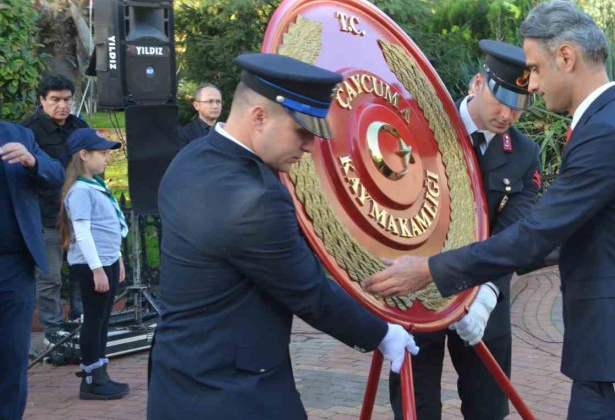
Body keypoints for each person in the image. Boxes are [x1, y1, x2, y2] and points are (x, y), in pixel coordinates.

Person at [365, 0, 615, 420]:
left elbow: (535, 233)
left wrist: (432, 270)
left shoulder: (608, 131)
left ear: (566, 57)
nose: (531, 85)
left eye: (535, 68)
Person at [147, 53, 418, 420]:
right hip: (235, 393)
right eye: (302, 132)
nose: (309, 146)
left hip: (177, 379)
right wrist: (383, 335)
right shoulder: (255, 198)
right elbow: (308, 292)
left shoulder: (192, 157)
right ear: (259, 117)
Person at [388, 40, 542, 420]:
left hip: (483, 301)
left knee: (488, 408)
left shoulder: (524, 153)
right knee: (416, 409)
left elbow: (515, 231)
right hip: (419, 293)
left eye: (518, 107)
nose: (507, 114)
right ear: (478, 83)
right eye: (501, 99)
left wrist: (487, 292)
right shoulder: (423, 128)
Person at [57, 128, 130, 399]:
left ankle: (101, 374)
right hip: (92, 264)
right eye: (101, 153)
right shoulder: (79, 191)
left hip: (106, 259)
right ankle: (91, 379)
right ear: (84, 155)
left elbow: (109, 226)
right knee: (94, 319)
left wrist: (118, 259)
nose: (106, 158)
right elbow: (84, 232)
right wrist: (97, 269)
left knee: (102, 320)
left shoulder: (97, 185)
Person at [0, 121, 65, 420]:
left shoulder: (18, 135)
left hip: (13, 265)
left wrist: (33, 161)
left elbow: (56, 174)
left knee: (13, 357)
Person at [22, 73, 89, 344]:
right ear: (42, 100)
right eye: (55, 100)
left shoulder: (79, 126)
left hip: (78, 213)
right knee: (50, 276)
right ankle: (52, 331)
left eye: (66, 99)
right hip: (46, 215)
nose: (62, 105)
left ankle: (79, 318)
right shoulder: (29, 131)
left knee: (81, 271)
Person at [179, 83, 223, 149]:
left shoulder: (227, 131)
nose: (215, 106)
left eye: (218, 101)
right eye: (210, 101)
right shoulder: (185, 134)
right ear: (196, 105)